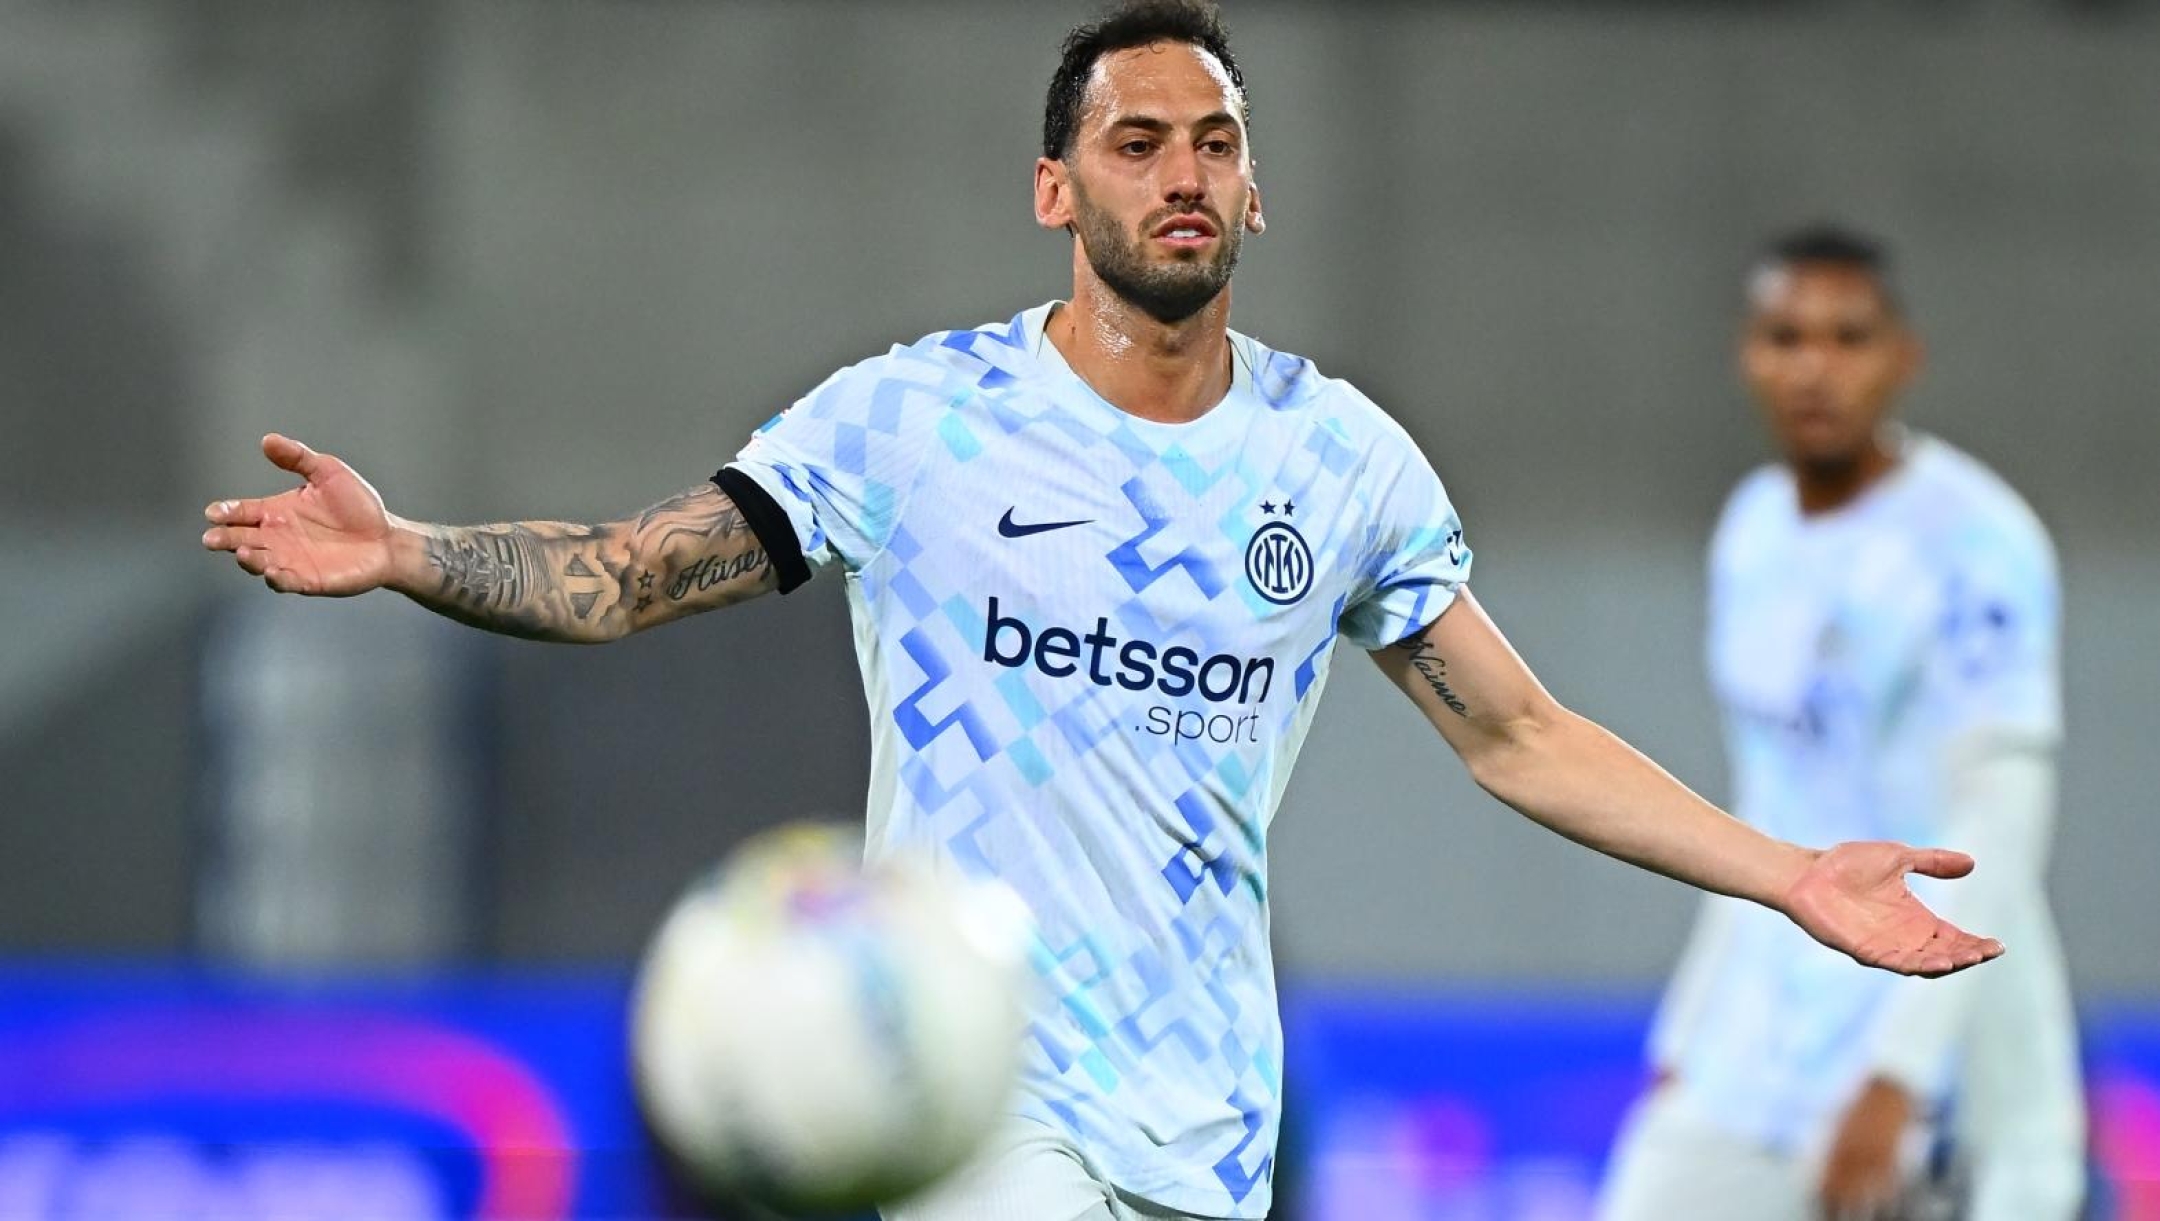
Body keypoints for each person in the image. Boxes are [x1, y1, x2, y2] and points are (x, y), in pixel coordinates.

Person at [201, 8, 2003, 1220]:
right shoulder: (915, 425)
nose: (1185, 173)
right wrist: (412, 548)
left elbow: (1519, 736)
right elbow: (618, 575)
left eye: (1215, 141)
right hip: (975, 1091)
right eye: (1138, 142)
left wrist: (1788, 875)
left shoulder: (1340, 465)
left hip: (1213, 1120)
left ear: (1256, 188)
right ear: (1059, 191)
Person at [1596, 225, 2085, 1221]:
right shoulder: (1752, 532)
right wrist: (1686, 1043)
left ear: (1903, 358)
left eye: (1847, 337)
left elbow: (2001, 825)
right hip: (1759, 1048)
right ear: (1748, 355)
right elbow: (1766, 805)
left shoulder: (1976, 544)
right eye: (1785, 336)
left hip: (1942, 1060)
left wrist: (1896, 1073)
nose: (1814, 367)